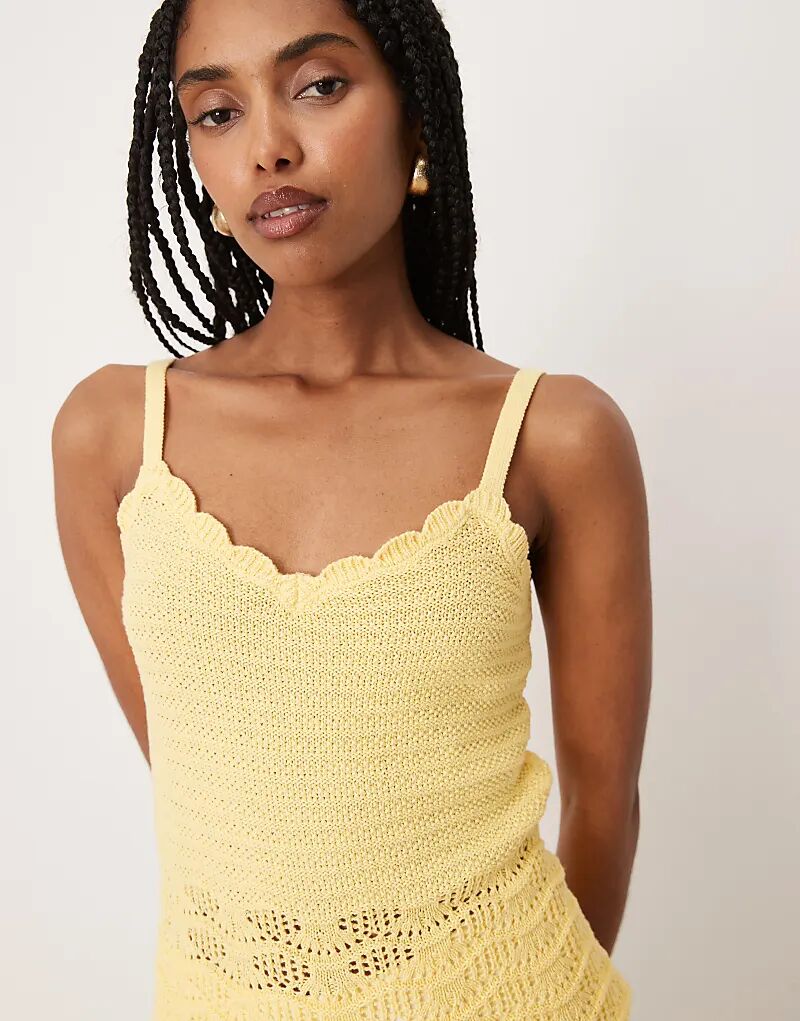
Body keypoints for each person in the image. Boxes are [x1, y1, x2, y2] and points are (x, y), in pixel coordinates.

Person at [51, 1, 650, 1017]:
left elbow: (603, 803)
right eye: (217, 112)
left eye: (318, 86)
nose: (268, 149)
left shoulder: (554, 435)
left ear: (417, 117)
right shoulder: (114, 437)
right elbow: (208, 790)